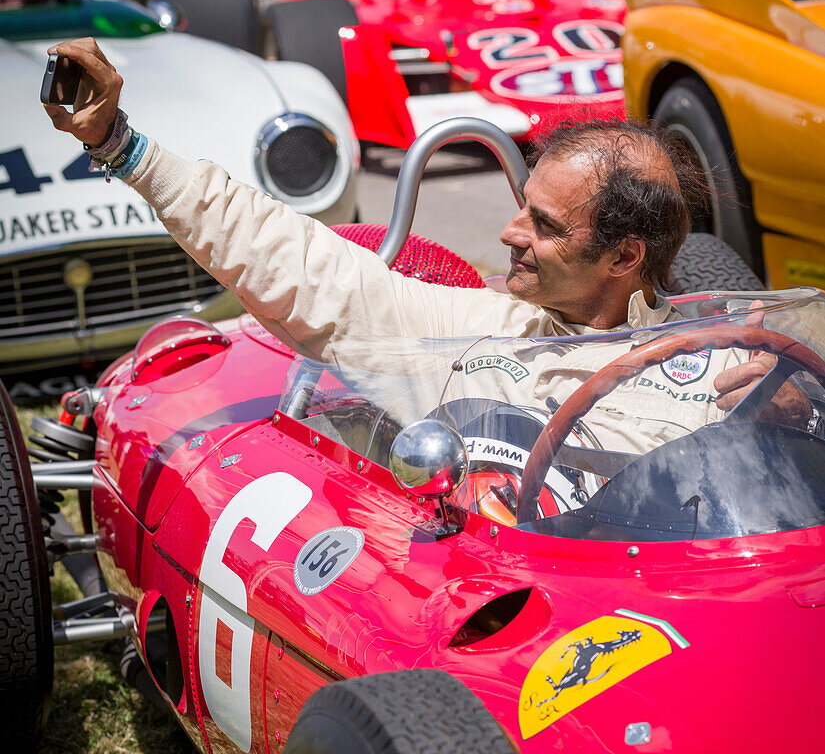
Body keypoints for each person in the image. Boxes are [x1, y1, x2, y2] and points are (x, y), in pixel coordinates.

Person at [42, 37, 813, 453]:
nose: (509, 233)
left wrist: (801, 416)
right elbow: (289, 258)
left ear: (623, 258)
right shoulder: (470, 333)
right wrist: (120, 144)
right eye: (522, 208)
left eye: (543, 226)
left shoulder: (733, 358)